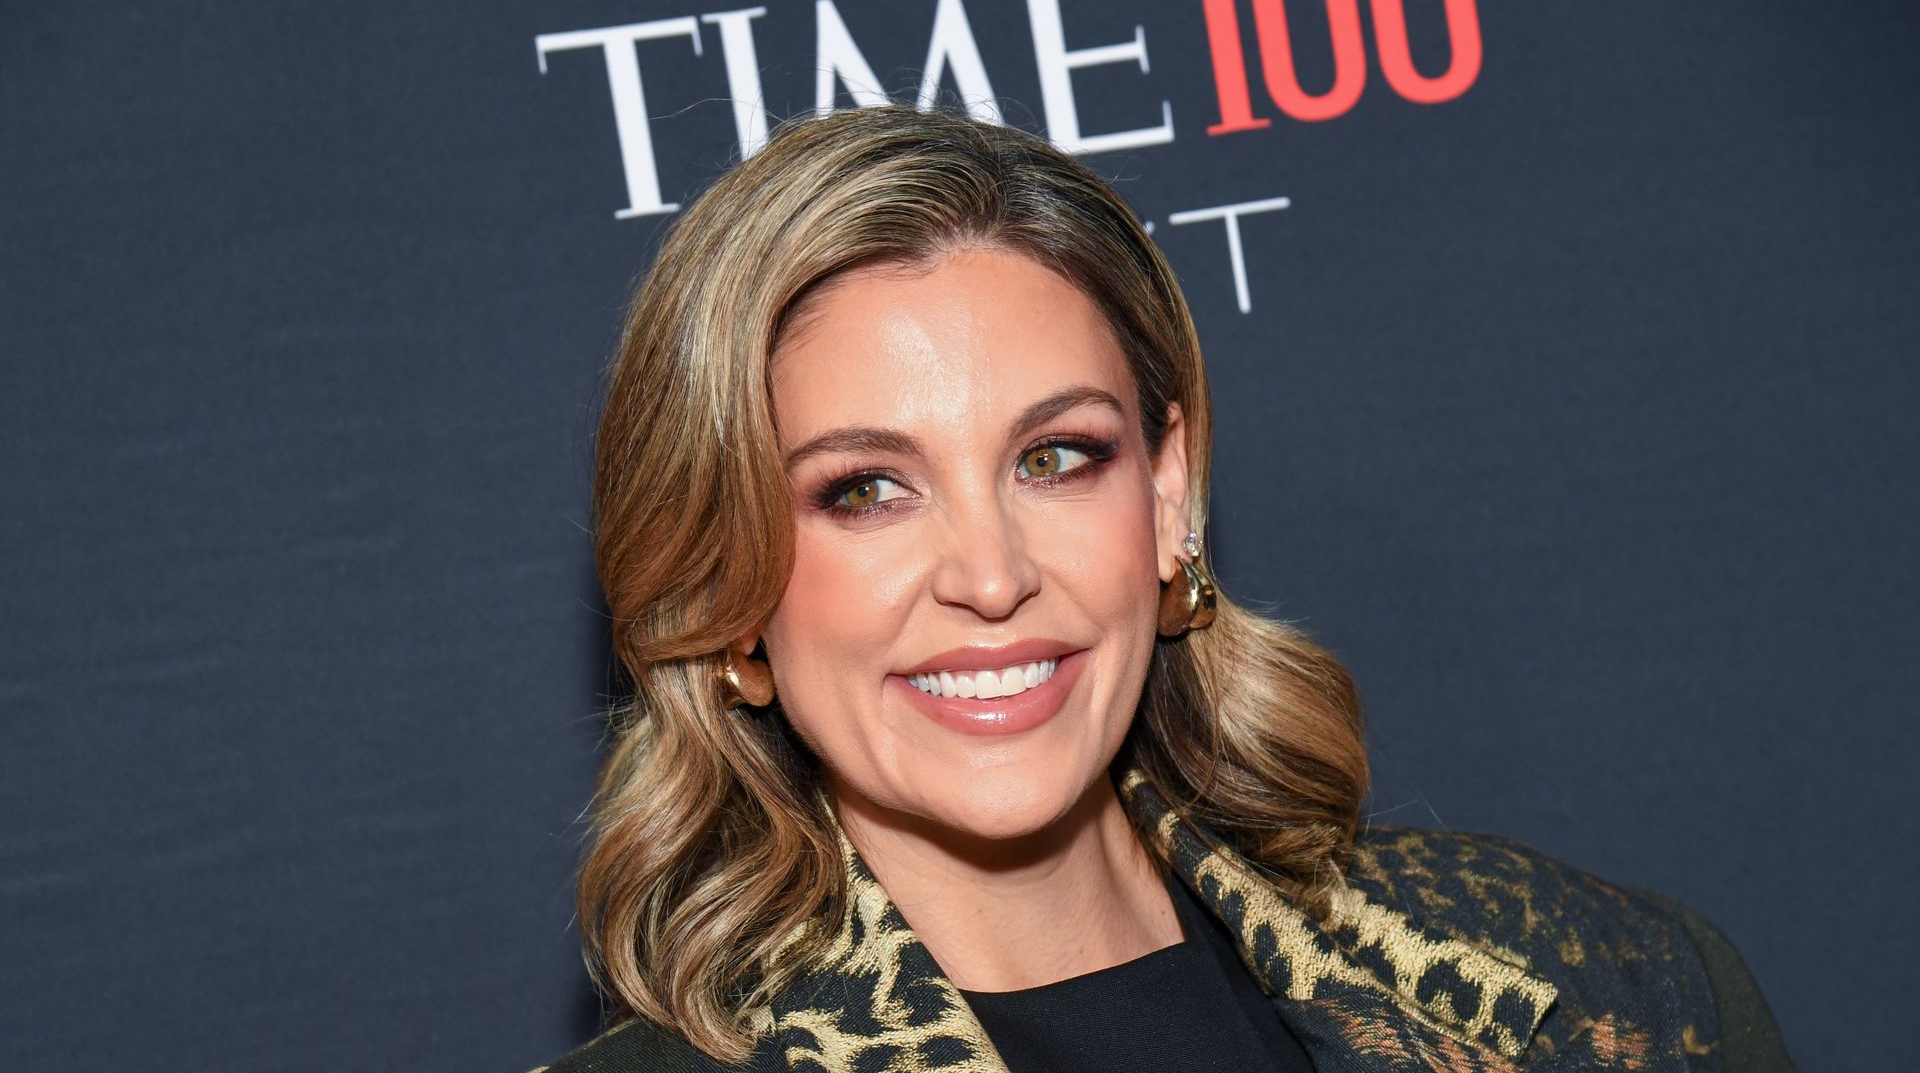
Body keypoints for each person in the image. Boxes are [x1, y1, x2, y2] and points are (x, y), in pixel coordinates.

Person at [536, 105, 1792, 1073]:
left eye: (1056, 458)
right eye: (864, 489)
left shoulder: (1606, 992)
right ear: (725, 585)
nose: (990, 577)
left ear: (1166, 492)